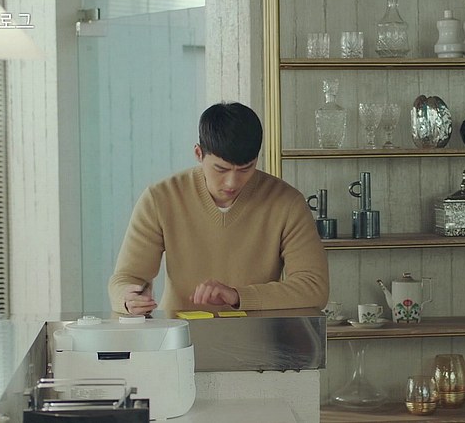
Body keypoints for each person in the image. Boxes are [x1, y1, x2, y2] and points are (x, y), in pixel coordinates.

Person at [108, 102, 329, 315]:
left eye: (245, 169)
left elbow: (313, 287)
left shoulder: (287, 203)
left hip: (258, 335)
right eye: (221, 169)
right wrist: (128, 299)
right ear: (198, 153)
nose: (232, 182)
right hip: (180, 335)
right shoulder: (160, 198)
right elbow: (126, 278)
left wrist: (238, 296)